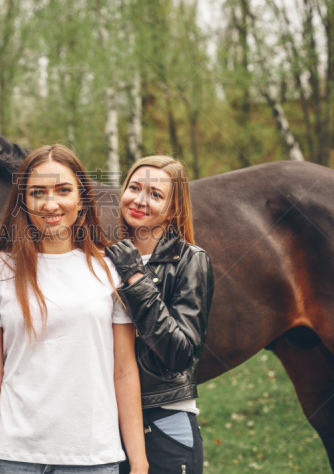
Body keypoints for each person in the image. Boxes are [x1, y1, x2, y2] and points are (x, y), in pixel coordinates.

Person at [0, 144, 149, 474]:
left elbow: (124, 370)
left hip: (92, 459)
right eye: (38, 192)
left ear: (81, 198)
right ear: (24, 201)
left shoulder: (110, 269)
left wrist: (139, 463)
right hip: (11, 458)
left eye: (63, 190)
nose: (51, 204)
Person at [106, 156, 213, 474]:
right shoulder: (108, 258)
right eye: (134, 188)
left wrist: (136, 279)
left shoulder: (190, 260)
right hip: (107, 424)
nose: (139, 200)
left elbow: (179, 353)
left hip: (164, 422)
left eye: (155, 194)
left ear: (173, 209)